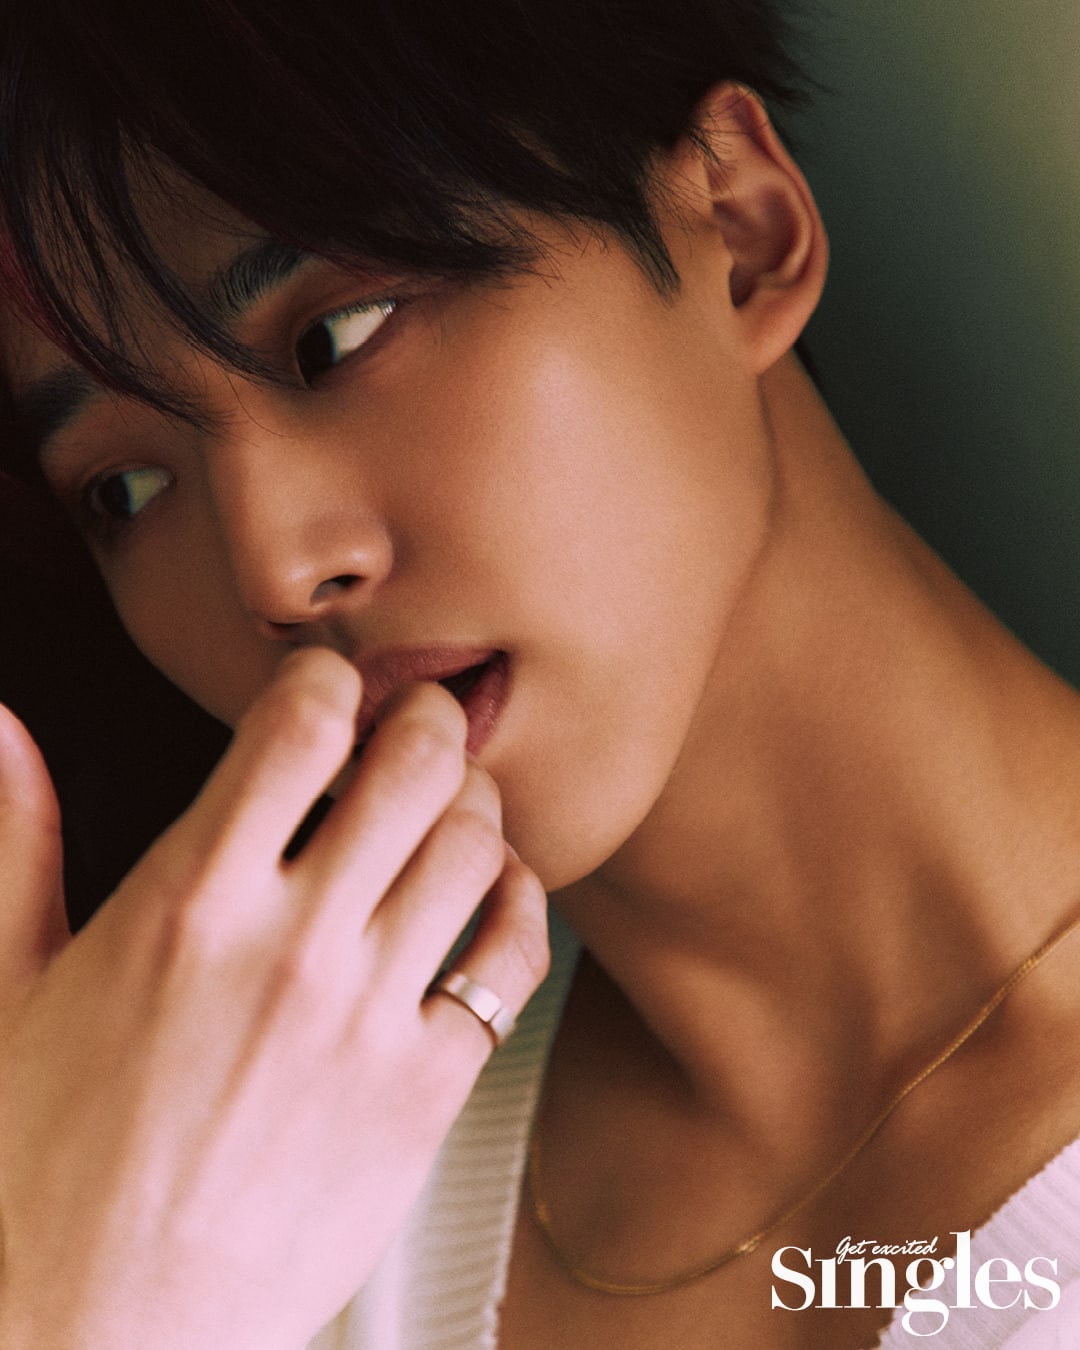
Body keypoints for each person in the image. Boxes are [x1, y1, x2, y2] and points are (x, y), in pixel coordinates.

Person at [1, 1, 1080, 1346]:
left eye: (338, 336)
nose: (272, 569)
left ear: (742, 233)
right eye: (126, 488)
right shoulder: (238, 1190)